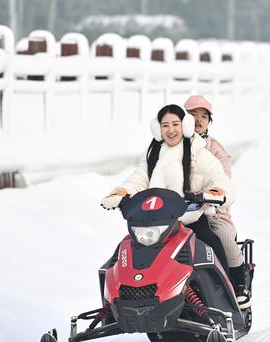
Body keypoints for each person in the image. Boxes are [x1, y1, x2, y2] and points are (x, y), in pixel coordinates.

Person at [100, 104, 249, 304]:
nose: (171, 130)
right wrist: (122, 194)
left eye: (175, 124)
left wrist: (214, 192)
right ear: (158, 129)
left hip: (190, 221)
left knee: (211, 244)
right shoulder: (154, 155)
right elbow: (137, 180)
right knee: (124, 253)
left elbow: (219, 178)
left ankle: (226, 295)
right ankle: (119, 302)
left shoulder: (198, 152)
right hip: (155, 224)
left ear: (185, 126)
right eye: (165, 125)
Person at [184, 95, 250, 308]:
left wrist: (208, 194)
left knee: (221, 236)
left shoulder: (214, 149)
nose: (198, 120)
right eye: (193, 114)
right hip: (181, 212)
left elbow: (223, 179)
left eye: (204, 116)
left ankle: (237, 285)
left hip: (213, 211)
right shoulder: (175, 144)